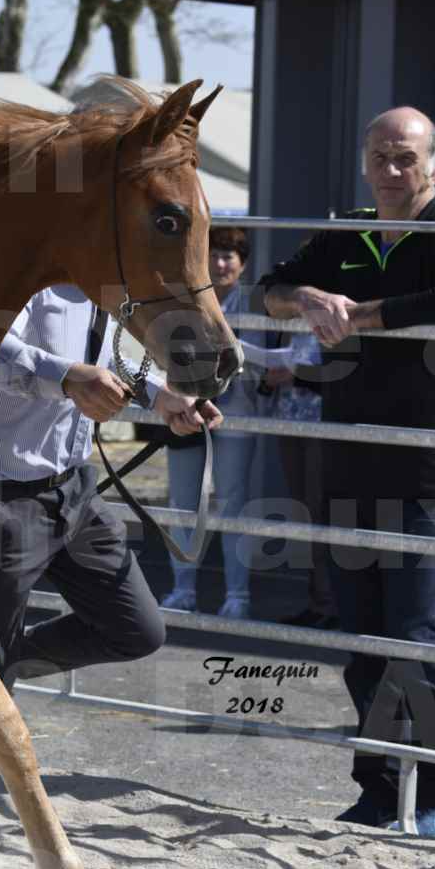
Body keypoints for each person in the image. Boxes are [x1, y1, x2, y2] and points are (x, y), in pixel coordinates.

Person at [0, 284, 222, 866]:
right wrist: (66, 376)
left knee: (136, 630)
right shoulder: (12, 262)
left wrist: (158, 396)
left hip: (74, 489)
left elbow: (109, 361)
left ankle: (4, 659)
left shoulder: (90, 278)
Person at [257, 106, 435, 841]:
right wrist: (310, 299)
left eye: (406, 158)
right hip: (348, 460)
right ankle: (380, 791)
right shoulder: (343, 228)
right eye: (380, 157)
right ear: (364, 164)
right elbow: (269, 287)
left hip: (424, 465)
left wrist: (353, 318)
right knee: (361, 637)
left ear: (433, 167)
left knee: (418, 634)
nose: (392, 170)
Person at [159, 225, 269, 619]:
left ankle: (237, 596)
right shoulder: (182, 300)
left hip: (237, 412)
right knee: (183, 503)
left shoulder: (255, 303)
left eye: (229, 256)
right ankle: (182, 590)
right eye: (214, 255)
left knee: (233, 503)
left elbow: (270, 362)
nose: (220, 263)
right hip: (187, 409)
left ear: (242, 264)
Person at [265, 329, 339, 629]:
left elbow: (341, 375)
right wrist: (268, 378)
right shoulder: (289, 319)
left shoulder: (334, 314)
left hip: (322, 425)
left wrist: (296, 375)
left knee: (321, 512)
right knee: (304, 514)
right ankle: (318, 602)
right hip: (289, 423)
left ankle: (333, 604)